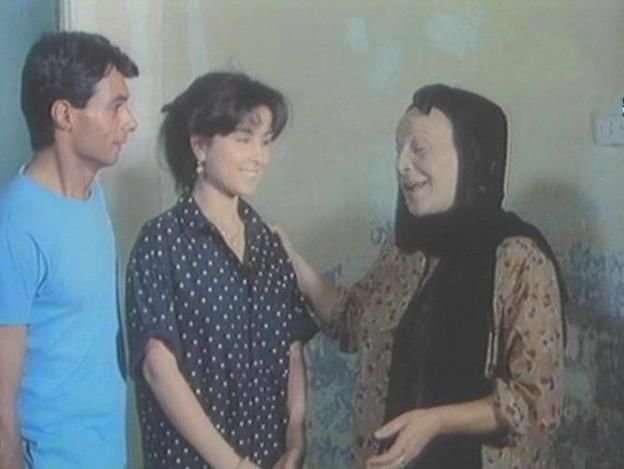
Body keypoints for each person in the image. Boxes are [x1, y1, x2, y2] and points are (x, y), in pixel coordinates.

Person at [278, 84, 566, 468]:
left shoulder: (518, 260)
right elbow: (354, 321)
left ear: (471, 157)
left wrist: (437, 422)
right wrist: (293, 262)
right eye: (398, 149)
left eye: (420, 149)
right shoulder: (405, 251)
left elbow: (537, 403)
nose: (402, 164)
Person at [126, 72, 317, 469]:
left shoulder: (269, 246)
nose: (260, 157)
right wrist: (232, 464)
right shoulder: (162, 242)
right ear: (200, 145)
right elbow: (158, 368)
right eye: (244, 140)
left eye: (265, 141)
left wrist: (295, 440)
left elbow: (292, 348)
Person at [0, 32, 138, 468]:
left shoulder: (94, 196)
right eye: (116, 106)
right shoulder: (15, 227)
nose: (130, 122)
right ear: (65, 115)